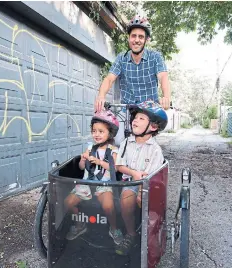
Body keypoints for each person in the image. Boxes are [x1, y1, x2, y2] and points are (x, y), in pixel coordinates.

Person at [94, 14, 171, 144]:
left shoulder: (155, 57)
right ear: (129, 38)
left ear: (146, 39)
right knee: (117, 142)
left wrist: (166, 97)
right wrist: (101, 96)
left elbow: (163, 77)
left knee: (147, 146)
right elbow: (109, 79)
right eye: (133, 36)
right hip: (127, 110)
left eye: (141, 37)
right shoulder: (121, 58)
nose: (137, 40)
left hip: (148, 111)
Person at [114, 100, 168, 255]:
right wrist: (134, 174)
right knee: (126, 200)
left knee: (146, 201)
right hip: (130, 181)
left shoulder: (155, 150)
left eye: (141, 118)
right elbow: (119, 166)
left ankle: (150, 233)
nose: (135, 120)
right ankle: (131, 233)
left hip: (149, 184)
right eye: (135, 117)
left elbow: (153, 176)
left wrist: (140, 190)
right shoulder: (126, 143)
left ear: (153, 126)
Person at [64, 110, 123, 245]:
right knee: (68, 202)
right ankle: (80, 225)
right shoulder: (90, 148)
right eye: (94, 131)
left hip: (105, 185)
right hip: (87, 184)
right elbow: (80, 167)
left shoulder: (113, 150)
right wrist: (83, 160)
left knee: (108, 206)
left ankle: (114, 228)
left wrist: (100, 162)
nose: (96, 134)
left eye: (101, 131)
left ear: (110, 133)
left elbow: (115, 168)